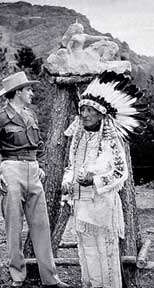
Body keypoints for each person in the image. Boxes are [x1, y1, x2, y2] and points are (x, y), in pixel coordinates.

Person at [0, 71, 70, 288]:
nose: (32, 93)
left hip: (33, 172)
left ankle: (51, 278)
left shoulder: (31, 116)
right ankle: (18, 277)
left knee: (41, 226)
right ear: (17, 93)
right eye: (28, 89)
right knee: (14, 226)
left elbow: (40, 145)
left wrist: (41, 165)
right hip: (11, 171)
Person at [61, 71, 141, 288]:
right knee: (87, 251)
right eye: (82, 110)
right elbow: (71, 166)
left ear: (100, 114)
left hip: (102, 206)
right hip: (80, 205)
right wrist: (67, 181)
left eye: (89, 110)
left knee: (105, 251)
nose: (84, 114)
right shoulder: (77, 138)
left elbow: (120, 172)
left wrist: (95, 181)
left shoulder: (110, 140)